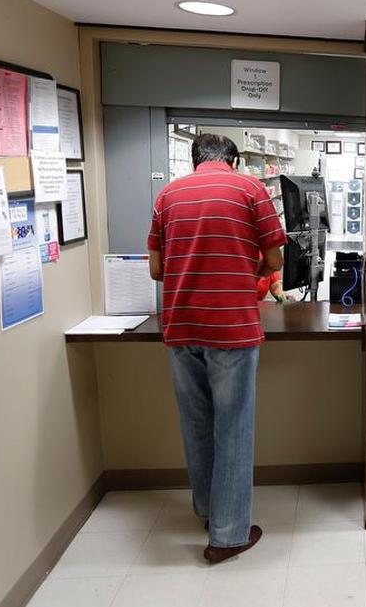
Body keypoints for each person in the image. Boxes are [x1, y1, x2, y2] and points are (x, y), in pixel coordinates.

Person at [147, 133, 286, 563]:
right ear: (235, 159)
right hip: (231, 327)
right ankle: (227, 536)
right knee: (234, 427)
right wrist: (246, 265)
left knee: (197, 425)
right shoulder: (250, 190)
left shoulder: (167, 196)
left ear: (193, 160)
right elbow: (277, 260)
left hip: (182, 326)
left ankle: (210, 511)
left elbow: (156, 269)